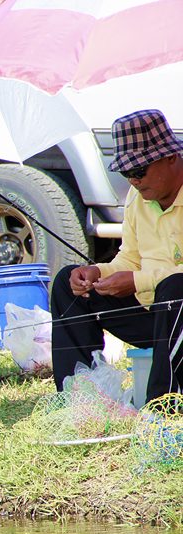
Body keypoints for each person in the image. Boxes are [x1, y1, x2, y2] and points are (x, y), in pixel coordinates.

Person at [52, 109, 183, 403]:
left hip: (177, 312)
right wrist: (98, 273)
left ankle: (163, 408)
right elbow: (130, 259)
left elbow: (151, 277)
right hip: (154, 319)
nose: (134, 181)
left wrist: (137, 281)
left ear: (171, 157)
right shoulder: (138, 198)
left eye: (140, 171)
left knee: (176, 287)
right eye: (126, 173)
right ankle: (81, 399)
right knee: (66, 283)